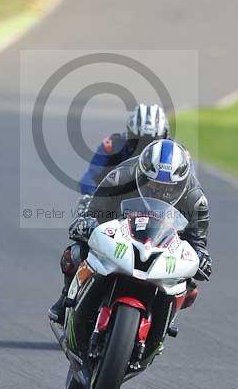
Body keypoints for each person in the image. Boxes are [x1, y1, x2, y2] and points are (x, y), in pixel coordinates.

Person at [48, 138, 211, 324]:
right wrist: (87, 223)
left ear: (181, 182)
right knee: (75, 253)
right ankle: (65, 300)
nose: (159, 190)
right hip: (122, 232)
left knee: (190, 288)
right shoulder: (120, 177)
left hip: (164, 245)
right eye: (153, 184)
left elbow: (197, 240)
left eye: (168, 187)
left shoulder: (196, 199)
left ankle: (164, 321)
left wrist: (202, 256)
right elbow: (95, 211)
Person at [79, 103, 170, 198]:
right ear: (129, 134)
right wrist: (92, 196)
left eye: (153, 142)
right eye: (139, 141)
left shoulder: (174, 153)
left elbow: (185, 183)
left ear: (165, 137)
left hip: (160, 202)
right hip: (116, 201)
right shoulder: (113, 145)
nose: (145, 148)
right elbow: (90, 177)